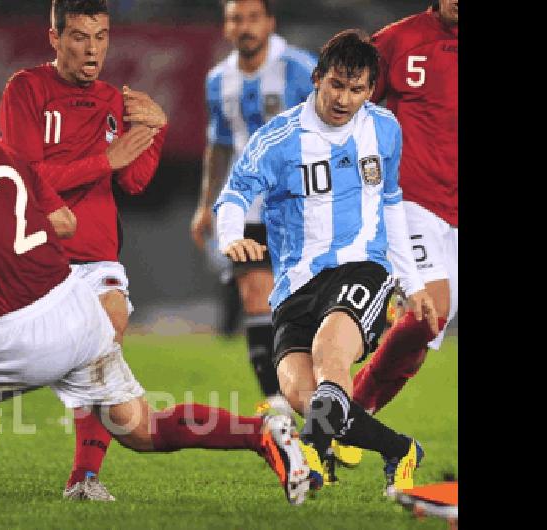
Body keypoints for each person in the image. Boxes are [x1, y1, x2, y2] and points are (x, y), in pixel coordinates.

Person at [0, 50, 313, 506]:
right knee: (141, 428)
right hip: (76, 309)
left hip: (19, 331)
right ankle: (262, 434)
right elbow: (64, 222)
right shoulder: (1, 154)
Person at [0, 0, 166, 502]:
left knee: (110, 322)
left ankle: (84, 478)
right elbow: (26, 176)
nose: (93, 49)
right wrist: (105, 158)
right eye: (80, 36)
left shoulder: (112, 100)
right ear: (54, 38)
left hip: (96, 259)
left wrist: (154, 131)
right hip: (31, 258)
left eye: (101, 36)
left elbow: (136, 181)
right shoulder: (25, 89)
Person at [214, 29, 439, 496]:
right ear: (317, 79)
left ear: (370, 90)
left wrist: (411, 282)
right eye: (337, 85)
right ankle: (399, 448)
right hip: (295, 285)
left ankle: (311, 454)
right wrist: (231, 235)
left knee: (329, 355)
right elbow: (235, 193)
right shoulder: (278, 138)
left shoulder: (383, 129)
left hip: (362, 266)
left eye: (357, 89)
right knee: (301, 393)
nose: (345, 98)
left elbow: (391, 204)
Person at [189, 0, 316, 417]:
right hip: (248, 206)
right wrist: (206, 205)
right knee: (254, 294)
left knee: (306, 303)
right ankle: (279, 406)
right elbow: (219, 145)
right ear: (226, 27)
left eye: (251, 18)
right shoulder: (217, 81)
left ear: (269, 23)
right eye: (235, 19)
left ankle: (320, 395)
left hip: (303, 206)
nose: (244, 27)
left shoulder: (300, 68)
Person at [346, 0, 458, 463]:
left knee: (419, 341)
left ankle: (345, 418)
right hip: (412, 200)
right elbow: (348, 107)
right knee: (430, 311)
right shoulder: (399, 40)